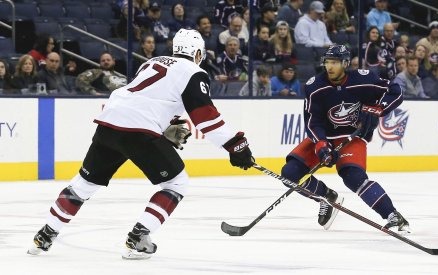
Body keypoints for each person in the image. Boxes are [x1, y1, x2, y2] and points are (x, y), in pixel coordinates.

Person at [28, 29, 255, 259]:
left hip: (109, 122)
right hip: (139, 130)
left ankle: (44, 236)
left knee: (84, 183)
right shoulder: (193, 72)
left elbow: (148, 98)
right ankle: (139, 238)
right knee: (176, 184)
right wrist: (236, 145)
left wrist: (166, 126)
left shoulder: (151, 62)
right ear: (197, 52)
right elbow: (205, 115)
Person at [280, 44, 409, 232]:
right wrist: (322, 145)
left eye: (335, 62)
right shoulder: (315, 87)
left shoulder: (364, 80)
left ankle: (393, 215)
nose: (330, 67)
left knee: (354, 177)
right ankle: (326, 197)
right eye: (327, 62)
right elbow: (312, 122)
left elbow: (395, 91)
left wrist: (378, 108)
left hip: (351, 137)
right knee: (289, 174)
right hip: (325, 137)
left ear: (346, 63)